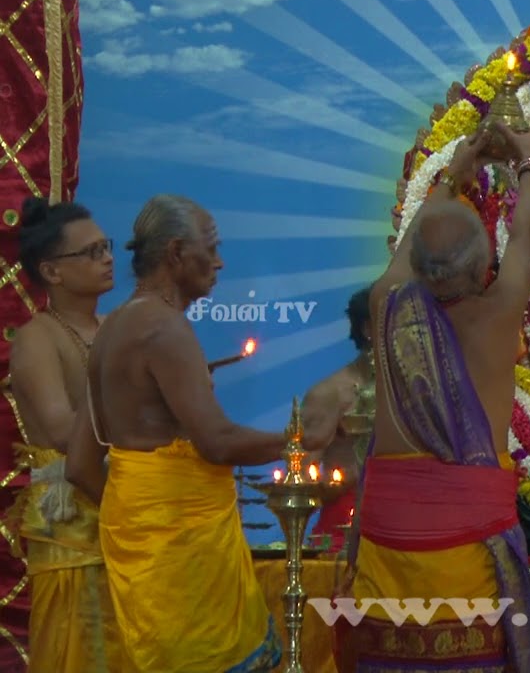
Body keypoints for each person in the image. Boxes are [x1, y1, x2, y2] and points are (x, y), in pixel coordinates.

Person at [64, 194, 330, 672]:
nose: (220, 261)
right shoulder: (163, 328)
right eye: (212, 247)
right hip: (182, 553)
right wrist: (299, 438)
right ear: (176, 253)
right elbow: (217, 442)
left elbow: (80, 466)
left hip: (139, 540)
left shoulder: (111, 328)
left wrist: (140, 510)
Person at [336, 122, 530, 672]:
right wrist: (529, 163)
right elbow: (524, 237)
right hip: (466, 554)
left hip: (387, 554)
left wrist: (455, 174)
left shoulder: (387, 305)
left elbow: (410, 247)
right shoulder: (499, 313)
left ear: (416, 267)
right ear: (483, 268)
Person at [8, 197, 119, 671]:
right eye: (92, 252)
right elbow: (60, 431)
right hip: (72, 525)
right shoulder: (37, 337)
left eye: (107, 247)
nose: (108, 259)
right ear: (52, 271)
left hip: (126, 516)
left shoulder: (115, 327)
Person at [303, 285, 373, 553]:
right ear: (368, 329)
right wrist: (356, 475)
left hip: (405, 532)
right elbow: (300, 484)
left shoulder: (414, 391)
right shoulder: (329, 393)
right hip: (341, 536)